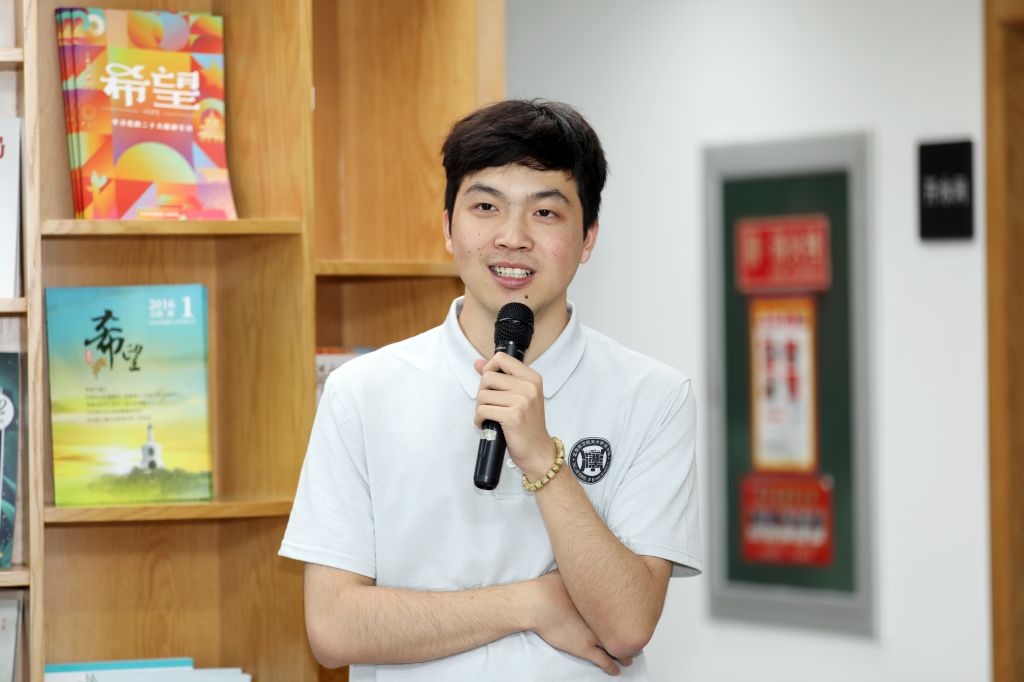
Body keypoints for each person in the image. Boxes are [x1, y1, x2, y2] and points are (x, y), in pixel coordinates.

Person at [279, 99, 702, 680]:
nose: (512, 237)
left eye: (545, 213)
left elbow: (627, 624)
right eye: (485, 207)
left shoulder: (654, 396)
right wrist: (531, 603)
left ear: (588, 238)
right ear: (448, 227)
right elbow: (333, 629)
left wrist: (542, 458)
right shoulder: (362, 391)